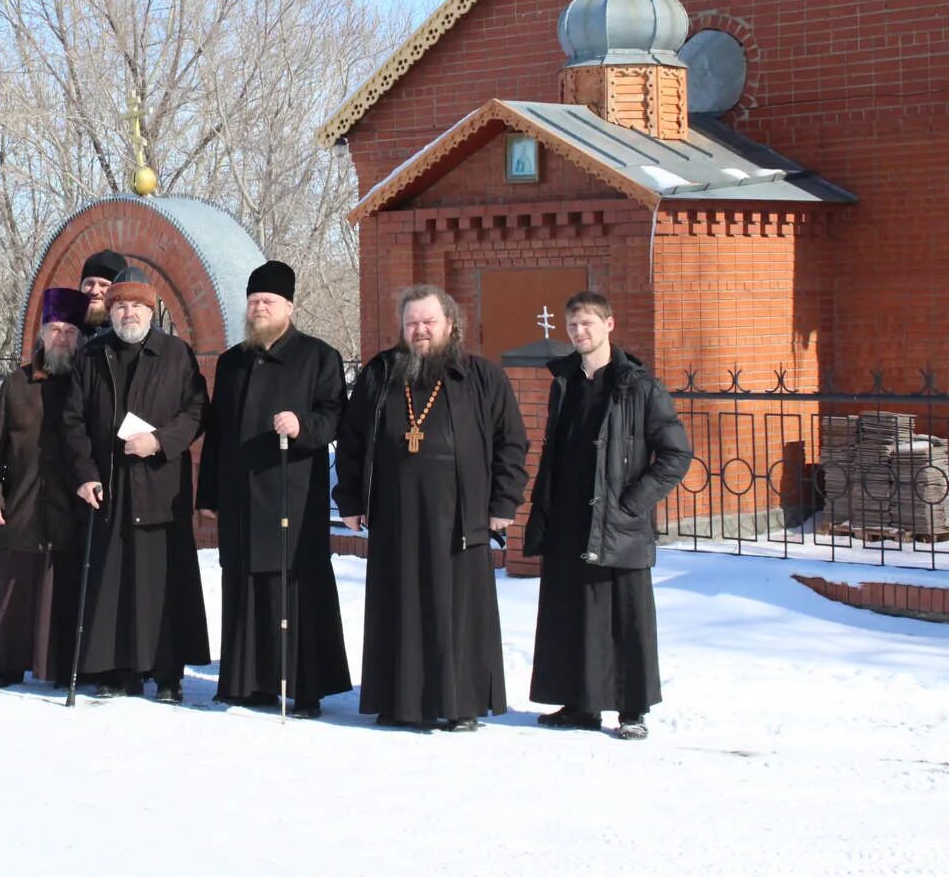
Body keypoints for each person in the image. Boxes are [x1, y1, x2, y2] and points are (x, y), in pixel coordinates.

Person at [334, 285, 527, 731]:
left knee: (456, 611)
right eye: (412, 323)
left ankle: (460, 706)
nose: (420, 330)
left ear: (450, 325)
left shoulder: (481, 377)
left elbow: (511, 444)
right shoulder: (381, 373)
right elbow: (352, 439)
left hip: (461, 514)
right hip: (395, 512)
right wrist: (349, 499)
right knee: (398, 605)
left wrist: (503, 502)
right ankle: (398, 702)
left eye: (428, 322)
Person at [524, 291, 691, 740]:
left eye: (588, 324)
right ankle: (580, 704)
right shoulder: (565, 382)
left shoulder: (638, 385)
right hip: (568, 519)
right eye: (573, 325)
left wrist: (632, 503)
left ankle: (632, 710)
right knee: (572, 612)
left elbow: (676, 454)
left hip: (618, 523)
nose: (580, 332)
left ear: (609, 325)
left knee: (625, 616)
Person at [196, 260, 351, 718]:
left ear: (289, 306)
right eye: (254, 301)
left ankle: (303, 688)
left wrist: (302, 424)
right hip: (241, 496)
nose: (260, 307)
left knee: (294, 590)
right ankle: (246, 683)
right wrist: (208, 496)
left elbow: (336, 417)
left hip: (293, 495)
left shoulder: (319, 357)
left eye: (269, 301)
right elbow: (218, 433)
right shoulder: (232, 361)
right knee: (243, 585)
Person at [61, 266, 211, 702]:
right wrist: (85, 475)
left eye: (138, 305)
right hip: (108, 487)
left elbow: (198, 412)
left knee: (163, 583)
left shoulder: (176, 354)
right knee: (113, 583)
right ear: (111, 311)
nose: (129, 313)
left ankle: (168, 673)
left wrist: (159, 442)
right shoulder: (92, 356)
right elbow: (71, 422)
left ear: (151, 309)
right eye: (121, 305)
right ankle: (117, 669)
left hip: (160, 486)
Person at [0, 288, 90, 688]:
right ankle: (6, 664)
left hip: (69, 509)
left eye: (70, 331)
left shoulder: (87, 385)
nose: (61, 338)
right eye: (55, 329)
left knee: (61, 588)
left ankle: (57, 665)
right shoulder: (17, 383)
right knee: (14, 590)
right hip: (20, 506)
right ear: (41, 334)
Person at [78, 249, 127, 339]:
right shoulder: (65, 333)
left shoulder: (130, 336)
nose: (94, 291)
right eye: (89, 283)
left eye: (103, 285)